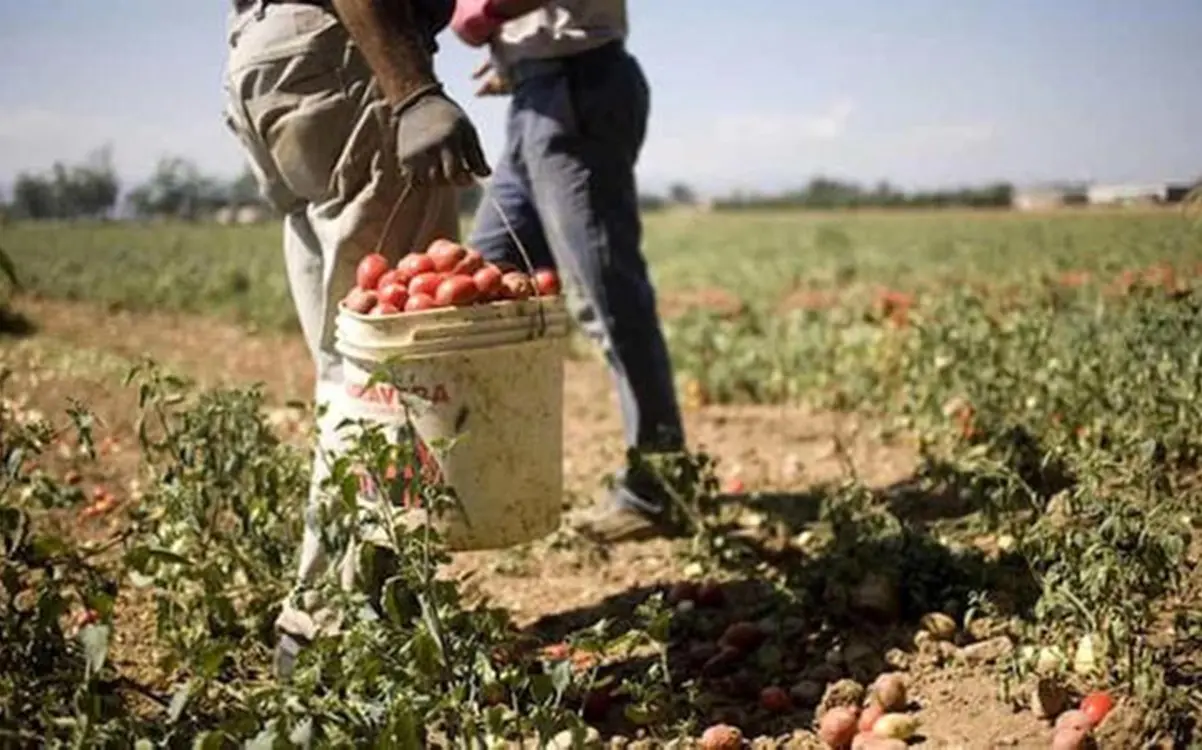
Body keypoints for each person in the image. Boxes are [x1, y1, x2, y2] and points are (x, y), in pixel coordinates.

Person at [221, 0, 490, 678]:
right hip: (349, 56)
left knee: (351, 366)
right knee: (390, 371)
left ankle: (368, 611)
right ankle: (331, 630)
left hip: (271, 60)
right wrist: (414, 90)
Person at [449, 0, 690, 544]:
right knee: (483, 278)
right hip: (538, 91)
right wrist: (515, 55)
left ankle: (659, 489)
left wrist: (482, 14)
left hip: (578, 87)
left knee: (607, 297)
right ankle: (492, 476)